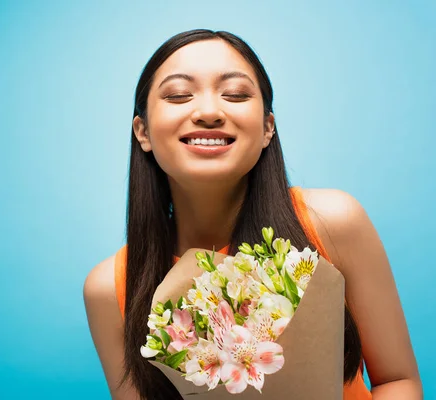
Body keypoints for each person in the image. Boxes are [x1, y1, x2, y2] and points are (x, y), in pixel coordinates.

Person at [83, 29, 422, 400]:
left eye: (236, 95)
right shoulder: (110, 287)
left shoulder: (333, 222)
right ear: (142, 132)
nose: (209, 112)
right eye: (179, 95)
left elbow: (396, 381)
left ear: (267, 129)